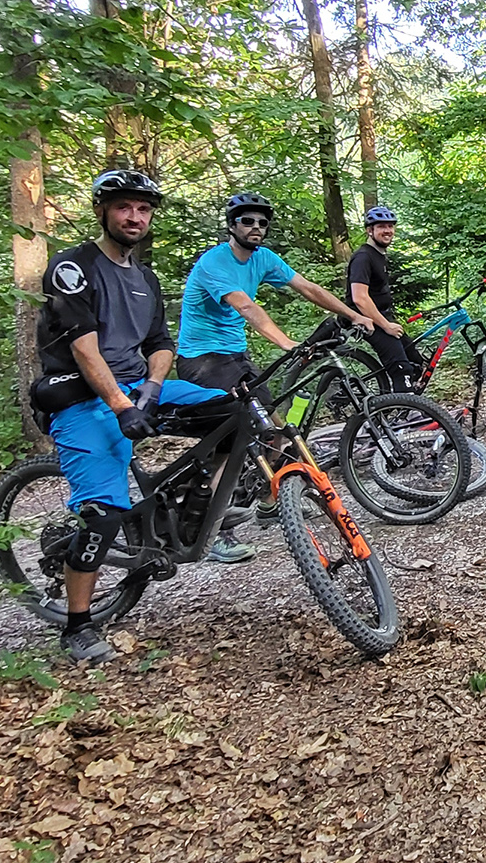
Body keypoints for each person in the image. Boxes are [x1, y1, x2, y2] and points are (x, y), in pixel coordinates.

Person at [36, 169, 229, 662]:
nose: (135, 217)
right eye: (124, 207)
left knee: (236, 413)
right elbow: (84, 349)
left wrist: (149, 390)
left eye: (143, 209)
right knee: (103, 511)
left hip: (136, 388)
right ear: (102, 210)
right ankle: (77, 626)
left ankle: (191, 503)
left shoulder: (145, 277)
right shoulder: (73, 267)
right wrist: (123, 406)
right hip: (79, 394)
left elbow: (160, 345)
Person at [174, 192, 374, 561]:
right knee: (227, 442)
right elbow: (245, 305)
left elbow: (309, 288)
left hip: (235, 356)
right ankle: (206, 528)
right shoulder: (214, 262)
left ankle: (270, 501)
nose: (256, 228)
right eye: (247, 221)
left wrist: (355, 315)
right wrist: (285, 342)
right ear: (232, 225)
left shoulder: (263, 258)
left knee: (276, 429)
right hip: (201, 359)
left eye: (262, 223)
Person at [348, 206, 414, 392]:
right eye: (382, 227)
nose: (388, 231)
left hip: (381, 316)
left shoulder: (378, 255)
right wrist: (386, 325)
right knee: (402, 369)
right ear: (370, 230)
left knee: (415, 360)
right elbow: (359, 298)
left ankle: (409, 403)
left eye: (391, 226)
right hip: (366, 320)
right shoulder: (363, 257)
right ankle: (409, 414)